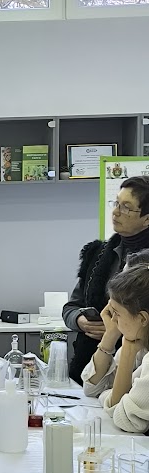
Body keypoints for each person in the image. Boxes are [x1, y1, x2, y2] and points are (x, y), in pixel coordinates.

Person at [64, 176, 149, 383]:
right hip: (90, 363)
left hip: (137, 368)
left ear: (147, 219)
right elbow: (71, 307)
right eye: (116, 203)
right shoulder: (98, 254)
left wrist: (119, 328)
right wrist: (81, 321)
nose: (116, 212)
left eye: (126, 207)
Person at [81, 264, 149, 433]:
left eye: (116, 313)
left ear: (142, 319)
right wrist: (111, 336)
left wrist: (108, 395)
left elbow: (126, 419)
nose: (112, 321)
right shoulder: (138, 343)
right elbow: (92, 388)